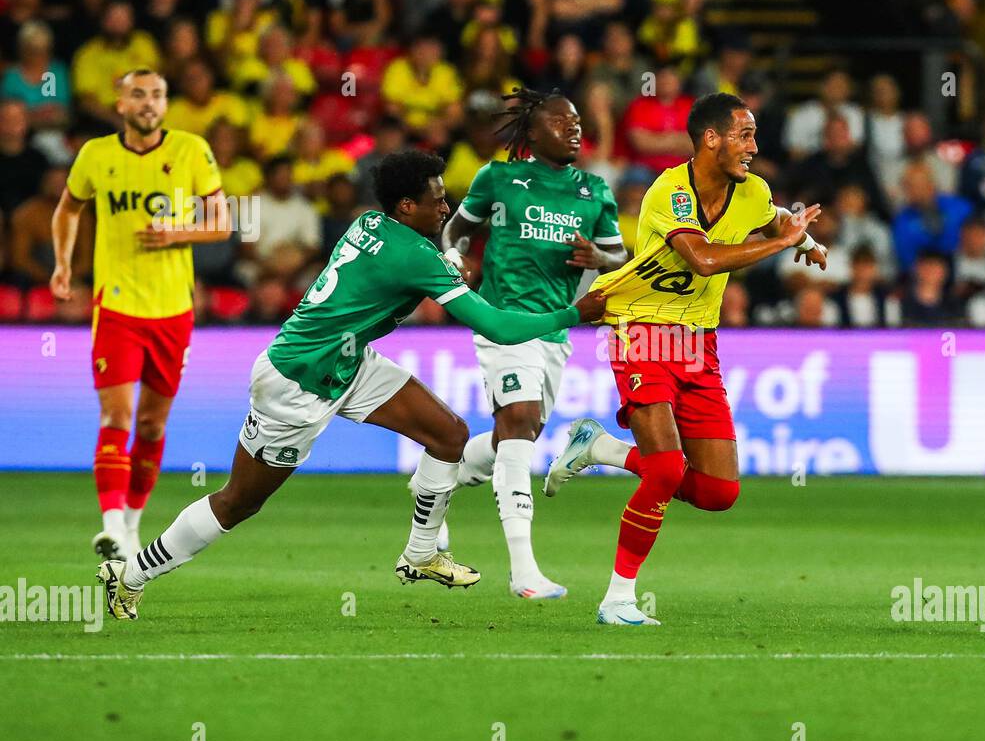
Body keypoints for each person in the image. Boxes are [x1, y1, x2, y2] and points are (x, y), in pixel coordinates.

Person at [97, 151, 608, 622]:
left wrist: (444, 269)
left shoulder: (371, 223)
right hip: (297, 382)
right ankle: (129, 575)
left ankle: (422, 552)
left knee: (449, 434)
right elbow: (496, 325)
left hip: (348, 362)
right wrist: (572, 313)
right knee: (238, 502)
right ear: (407, 205)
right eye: (437, 199)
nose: (446, 206)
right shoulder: (416, 255)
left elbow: (393, 283)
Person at [541, 92, 827, 626]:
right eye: (744, 135)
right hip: (641, 329)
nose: (754, 147)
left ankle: (599, 446)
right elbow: (702, 259)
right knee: (668, 468)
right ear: (711, 139)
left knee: (719, 492)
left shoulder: (753, 191)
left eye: (754, 135)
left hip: (699, 341)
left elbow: (771, 218)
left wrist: (801, 238)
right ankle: (618, 599)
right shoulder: (669, 191)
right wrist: (781, 242)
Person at [438, 88, 628, 598]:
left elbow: (619, 259)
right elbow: (455, 230)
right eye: (561, 120)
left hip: (555, 329)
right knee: (518, 421)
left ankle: (437, 479)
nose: (574, 128)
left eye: (577, 121)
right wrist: (455, 264)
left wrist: (598, 259)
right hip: (503, 320)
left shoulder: (594, 191)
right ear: (532, 131)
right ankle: (524, 571)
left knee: (516, 435)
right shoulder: (498, 179)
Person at [49, 69, 231, 562]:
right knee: (116, 415)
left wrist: (177, 233)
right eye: (138, 95)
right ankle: (109, 526)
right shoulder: (96, 155)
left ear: (165, 104)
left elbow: (222, 224)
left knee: (151, 425)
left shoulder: (192, 150)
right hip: (117, 309)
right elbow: (67, 210)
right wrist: (64, 264)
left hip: (173, 311)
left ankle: (131, 525)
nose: (148, 103)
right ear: (121, 102)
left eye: (156, 95)